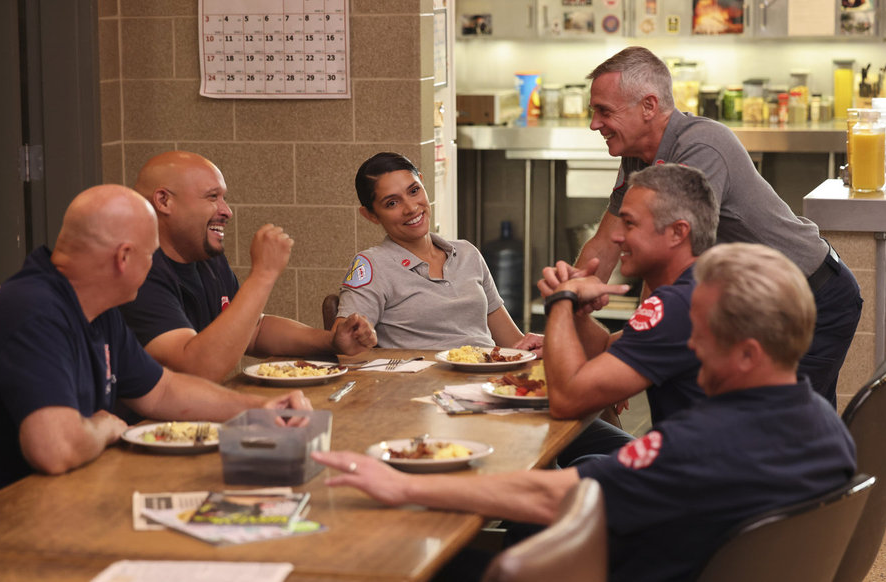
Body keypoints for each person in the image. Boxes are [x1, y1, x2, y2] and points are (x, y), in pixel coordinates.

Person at [312, 242, 857, 582]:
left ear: (748, 354)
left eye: (703, 334)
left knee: (417, 562)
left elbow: (550, 496)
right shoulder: (827, 428)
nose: (690, 344)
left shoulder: (697, 443)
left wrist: (404, 485)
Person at [0, 185, 312, 529]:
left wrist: (257, 410)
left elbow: (162, 390)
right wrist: (103, 427)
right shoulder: (32, 309)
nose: (152, 266)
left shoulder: (95, 307)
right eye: (150, 255)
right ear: (123, 257)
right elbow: (55, 449)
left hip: (52, 512)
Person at [576, 46, 861, 406]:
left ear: (648, 106)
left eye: (604, 111)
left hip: (813, 295)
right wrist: (569, 301)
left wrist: (633, 354)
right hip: (761, 301)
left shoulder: (700, 146)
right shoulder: (638, 155)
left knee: (780, 425)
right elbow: (605, 242)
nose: (594, 124)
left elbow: (670, 255)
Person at [120, 151, 377, 383]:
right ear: (164, 201)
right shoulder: (137, 273)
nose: (227, 211)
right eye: (212, 197)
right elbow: (197, 369)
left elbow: (253, 331)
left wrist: (331, 341)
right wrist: (263, 274)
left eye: (224, 198)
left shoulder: (207, 259)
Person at [543, 163, 718, 462]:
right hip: (729, 465)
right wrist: (578, 313)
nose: (617, 236)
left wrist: (561, 299)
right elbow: (606, 349)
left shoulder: (676, 305)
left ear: (678, 232)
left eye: (630, 224)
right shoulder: (703, 285)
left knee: (568, 473)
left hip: (703, 478)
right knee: (590, 460)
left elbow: (565, 401)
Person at [335, 152, 541, 351]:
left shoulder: (467, 253)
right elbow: (343, 338)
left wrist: (539, 345)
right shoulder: (373, 265)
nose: (411, 208)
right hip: (422, 375)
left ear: (423, 183)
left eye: (414, 191)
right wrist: (355, 335)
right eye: (392, 203)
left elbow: (514, 345)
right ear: (370, 215)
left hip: (486, 372)